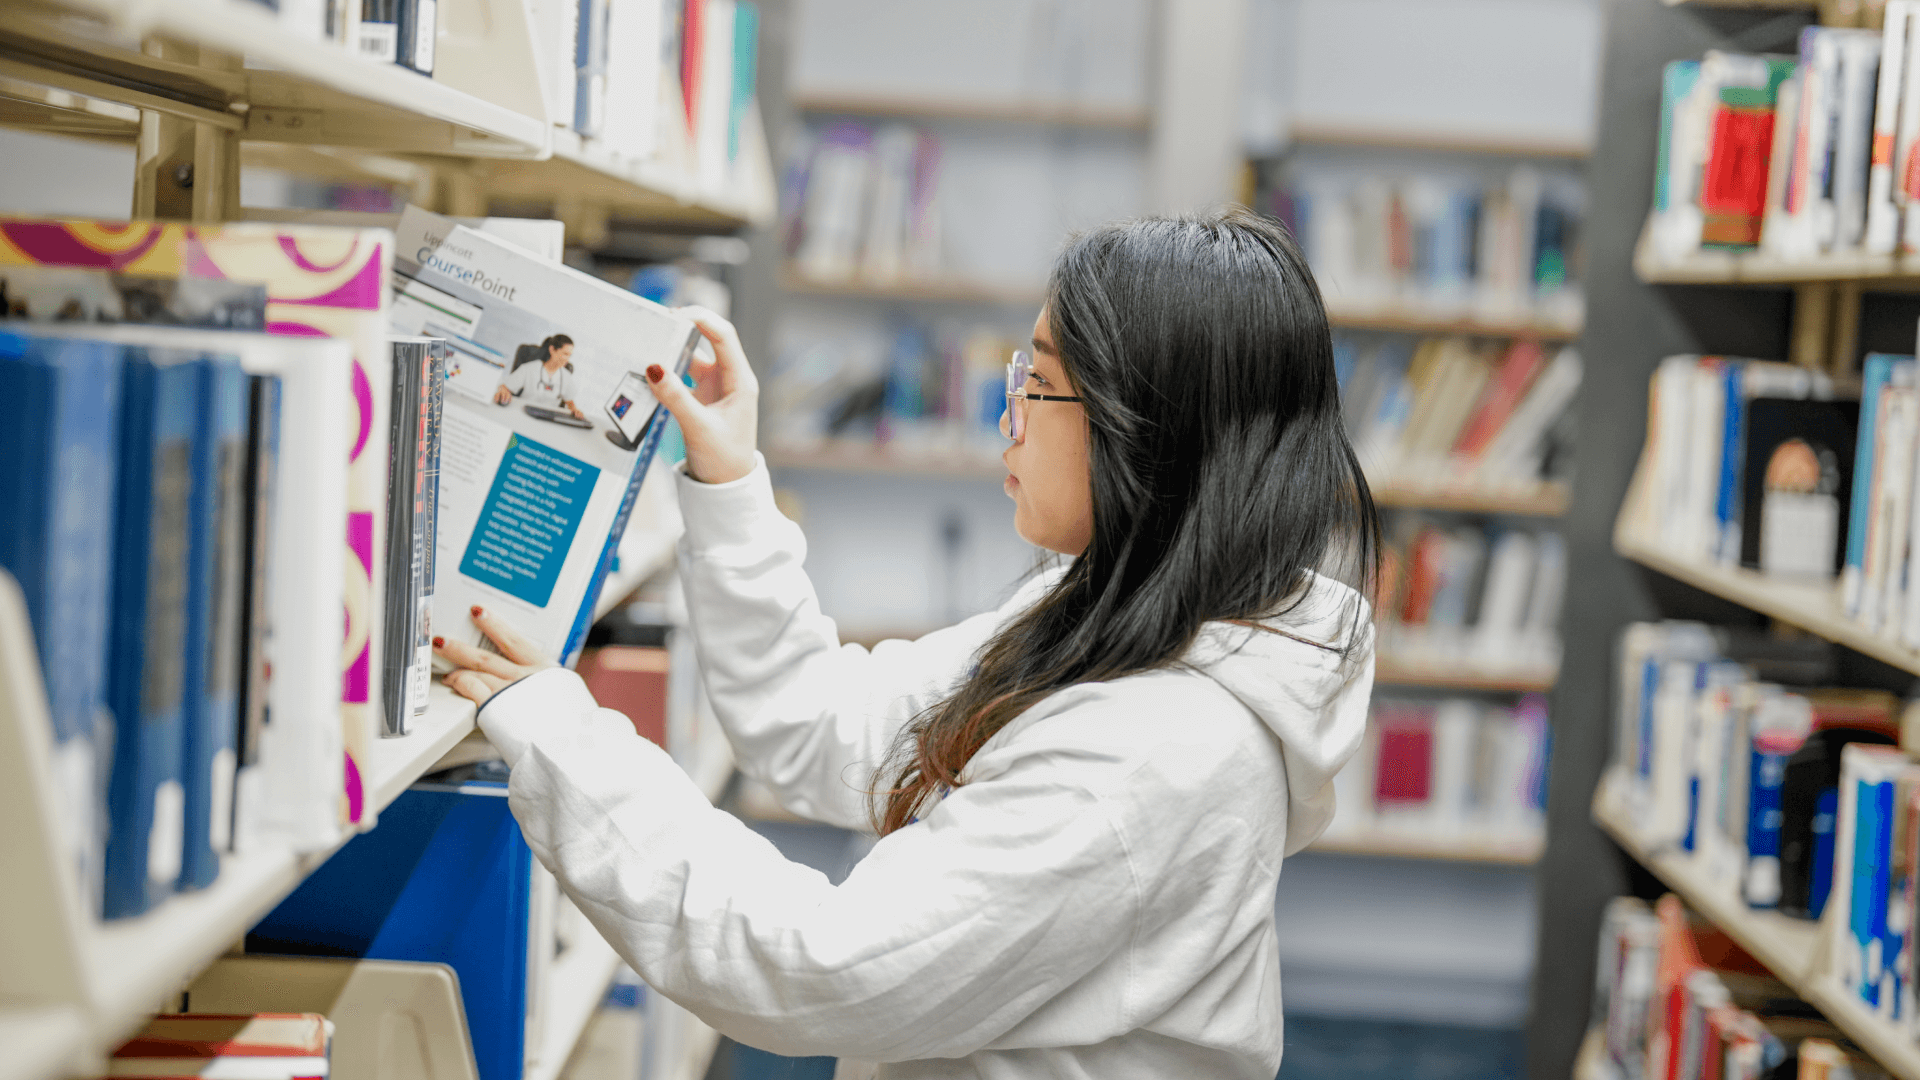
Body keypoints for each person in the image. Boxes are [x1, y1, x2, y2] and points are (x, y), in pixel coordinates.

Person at [436, 207, 1379, 1079]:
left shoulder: (1145, 756)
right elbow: (827, 730)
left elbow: (823, 971)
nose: (1006, 417)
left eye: (1040, 385)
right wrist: (725, 481)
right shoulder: (1110, 613)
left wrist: (564, 742)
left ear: (1151, 435)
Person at [493, 333, 584, 419]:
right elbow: (504, 386)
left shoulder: (566, 376)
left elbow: (569, 401)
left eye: (570, 355)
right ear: (552, 349)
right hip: (524, 414)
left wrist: (575, 410)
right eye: (565, 354)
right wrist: (503, 391)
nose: (567, 359)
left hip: (549, 419)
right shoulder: (530, 368)